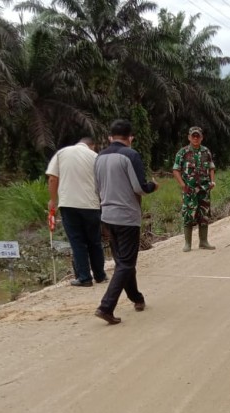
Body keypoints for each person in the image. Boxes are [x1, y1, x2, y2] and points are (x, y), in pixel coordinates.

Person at [93, 119, 159, 325]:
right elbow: (139, 187)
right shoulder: (130, 155)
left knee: (123, 261)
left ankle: (136, 298)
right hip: (127, 217)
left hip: (107, 216)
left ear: (110, 137)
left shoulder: (99, 157)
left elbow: (97, 188)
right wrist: (153, 186)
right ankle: (106, 306)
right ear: (130, 138)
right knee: (126, 263)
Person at [46, 136, 106, 287]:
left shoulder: (62, 153)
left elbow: (53, 178)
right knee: (95, 241)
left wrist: (53, 200)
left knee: (77, 242)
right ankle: (100, 275)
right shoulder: (95, 157)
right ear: (92, 146)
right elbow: (102, 181)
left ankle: (84, 278)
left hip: (69, 204)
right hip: (91, 205)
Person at [172, 126, 217, 252]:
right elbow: (176, 170)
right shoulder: (183, 152)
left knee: (204, 215)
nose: (195, 138)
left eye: (198, 136)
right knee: (188, 214)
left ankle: (203, 242)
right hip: (189, 190)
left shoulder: (206, 151)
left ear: (201, 138)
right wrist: (183, 185)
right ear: (189, 137)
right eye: (193, 136)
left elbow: (211, 167)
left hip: (204, 189)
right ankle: (188, 243)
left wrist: (212, 181)